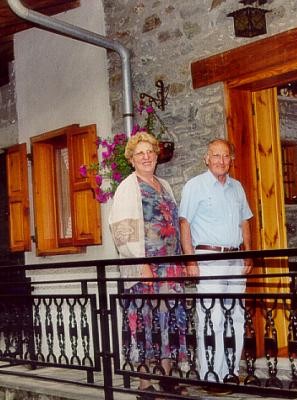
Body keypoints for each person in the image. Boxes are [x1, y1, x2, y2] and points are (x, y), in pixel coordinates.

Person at [108, 132, 187, 398]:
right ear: (131, 159)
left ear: (156, 156)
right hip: (145, 266)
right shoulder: (127, 187)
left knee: (169, 320)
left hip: (170, 266)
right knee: (145, 321)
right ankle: (144, 383)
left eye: (150, 152)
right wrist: (141, 263)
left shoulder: (164, 185)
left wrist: (181, 259)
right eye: (140, 153)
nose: (146, 157)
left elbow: (174, 223)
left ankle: (166, 376)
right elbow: (121, 231)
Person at [179, 138, 253, 383]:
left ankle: (230, 372)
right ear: (206, 158)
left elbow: (245, 221)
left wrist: (248, 253)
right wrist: (191, 261)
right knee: (212, 317)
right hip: (208, 258)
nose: (221, 160)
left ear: (231, 160)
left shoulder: (237, 187)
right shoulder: (195, 186)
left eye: (226, 156)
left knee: (236, 317)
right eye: (216, 155)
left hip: (235, 258)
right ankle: (211, 375)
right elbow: (184, 223)